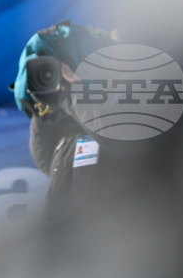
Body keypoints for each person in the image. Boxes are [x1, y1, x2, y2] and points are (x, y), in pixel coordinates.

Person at [12, 20, 116, 211]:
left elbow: (111, 136)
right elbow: (45, 160)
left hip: (106, 222)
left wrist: (76, 87)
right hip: (64, 222)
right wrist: (44, 103)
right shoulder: (73, 117)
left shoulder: (127, 107)